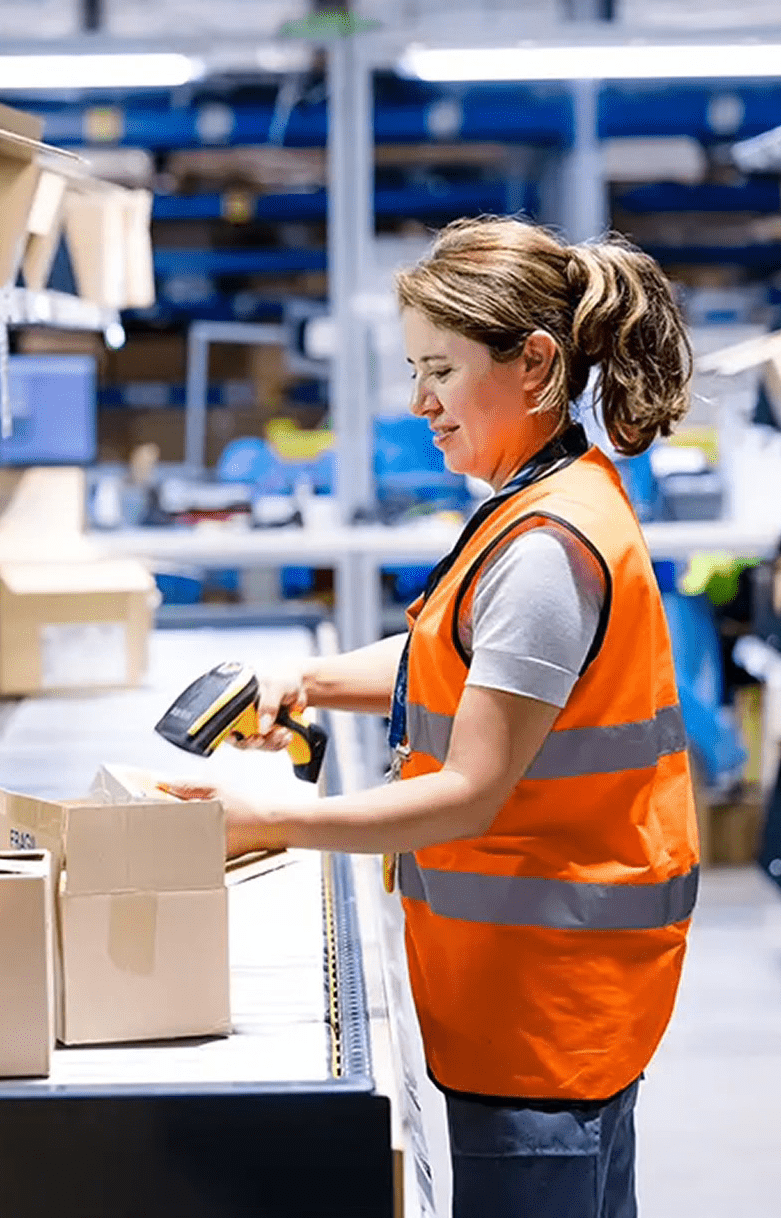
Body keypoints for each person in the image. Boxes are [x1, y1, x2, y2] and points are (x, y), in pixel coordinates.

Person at [166, 216, 699, 1218]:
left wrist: (263, 823)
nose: (420, 405)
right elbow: (457, 664)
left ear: (534, 363)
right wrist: (309, 685)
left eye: (440, 372)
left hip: (544, 1012)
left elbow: (465, 795)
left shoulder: (546, 548)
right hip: (537, 992)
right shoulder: (541, 497)